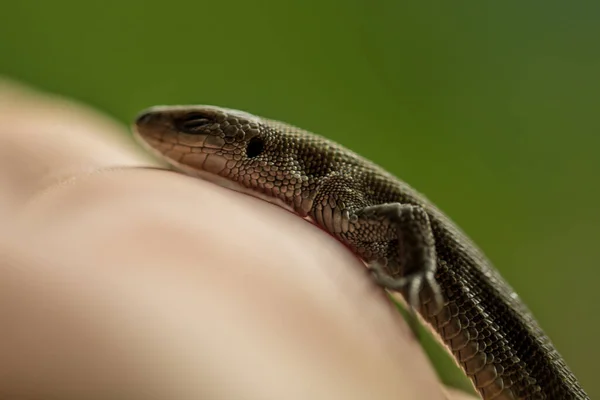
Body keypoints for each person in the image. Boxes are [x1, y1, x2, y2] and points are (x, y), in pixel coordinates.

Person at [0, 79, 474, 400]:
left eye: (193, 126)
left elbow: (411, 217)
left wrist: (419, 271)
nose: (160, 127)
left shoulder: (338, 191)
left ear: (251, 145)